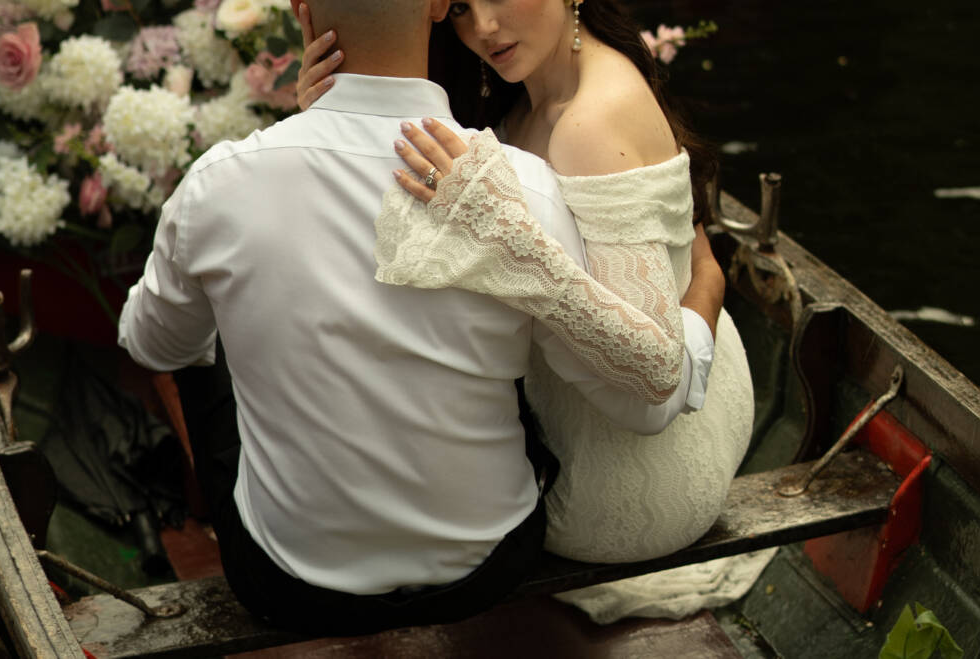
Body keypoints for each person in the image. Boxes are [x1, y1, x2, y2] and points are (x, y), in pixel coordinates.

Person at [117, 0, 726, 637]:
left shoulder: (217, 183)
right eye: (465, 5)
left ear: (300, 9)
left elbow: (148, 343)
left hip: (288, 584)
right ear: (439, 7)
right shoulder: (528, 186)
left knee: (195, 347)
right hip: (491, 563)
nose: (484, 25)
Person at [296, 0, 761, 622]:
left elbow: (653, 394)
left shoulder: (591, 119)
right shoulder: (519, 103)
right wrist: (324, 115)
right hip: (581, 412)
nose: (482, 28)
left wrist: (515, 246)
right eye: (460, 7)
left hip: (624, 482)